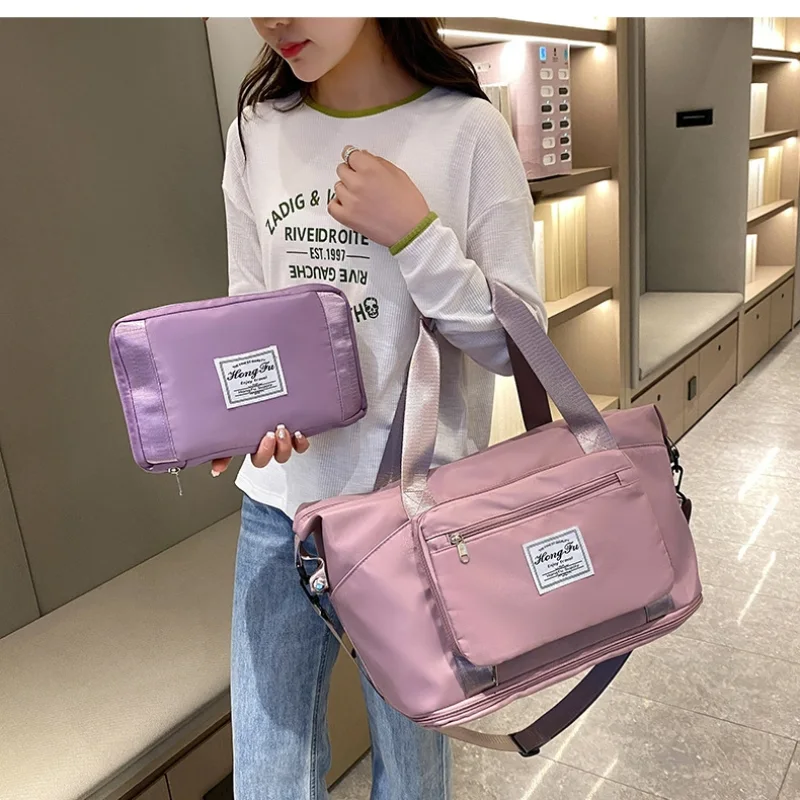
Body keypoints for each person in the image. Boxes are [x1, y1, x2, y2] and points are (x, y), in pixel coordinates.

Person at [211, 17, 547, 800]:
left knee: (412, 776)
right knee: (267, 779)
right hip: (278, 513)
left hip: (414, 514)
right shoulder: (256, 131)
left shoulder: (467, 132)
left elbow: (524, 350)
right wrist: (247, 410)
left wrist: (416, 234)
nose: (273, 16)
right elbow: (249, 308)